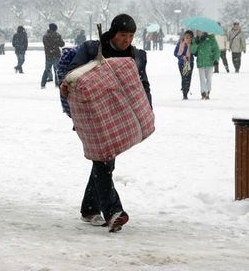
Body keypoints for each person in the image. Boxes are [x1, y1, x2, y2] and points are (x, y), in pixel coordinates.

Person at [60, 14, 152, 232]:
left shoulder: (135, 55)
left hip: (118, 115)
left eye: (131, 36)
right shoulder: (93, 49)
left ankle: (90, 207)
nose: (126, 40)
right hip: (92, 113)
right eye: (123, 35)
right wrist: (66, 85)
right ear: (113, 32)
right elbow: (72, 74)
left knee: (104, 160)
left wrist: (147, 110)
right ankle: (113, 211)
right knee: (103, 159)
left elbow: (143, 84)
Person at [190, 31, 220, 99]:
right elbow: (192, 51)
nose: (198, 33)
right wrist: (196, 44)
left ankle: (208, 91)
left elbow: (216, 50)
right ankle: (203, 92)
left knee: (209, 78)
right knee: (202, 78)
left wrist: (216, 59)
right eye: (197, 31)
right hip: (201, 62)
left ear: (203, 31)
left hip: (210, 62)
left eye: (200, 31)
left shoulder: (211, 39)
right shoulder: (195, 40)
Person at [41, 23, 65, 88]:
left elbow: (46, 45)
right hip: (56, 55)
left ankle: (43, 84)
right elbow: (62, 44)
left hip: (48, 55)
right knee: (57, 70)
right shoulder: (57, 35)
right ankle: (57, 84)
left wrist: (51, 48)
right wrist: (56, 43)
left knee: (47, 70)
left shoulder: (45, 36)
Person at [173, 30, 195, 99]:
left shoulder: (193, 44)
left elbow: (195, 53)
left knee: (188, 78)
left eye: (189, 37)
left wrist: (193, 46)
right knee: (184, 77)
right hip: (182, 63)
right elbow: (175, 53)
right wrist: (182, 57)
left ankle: (186, 90)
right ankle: (184, 93)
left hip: (190, 63)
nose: (188, 38)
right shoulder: (180, 43)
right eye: (186, 36)